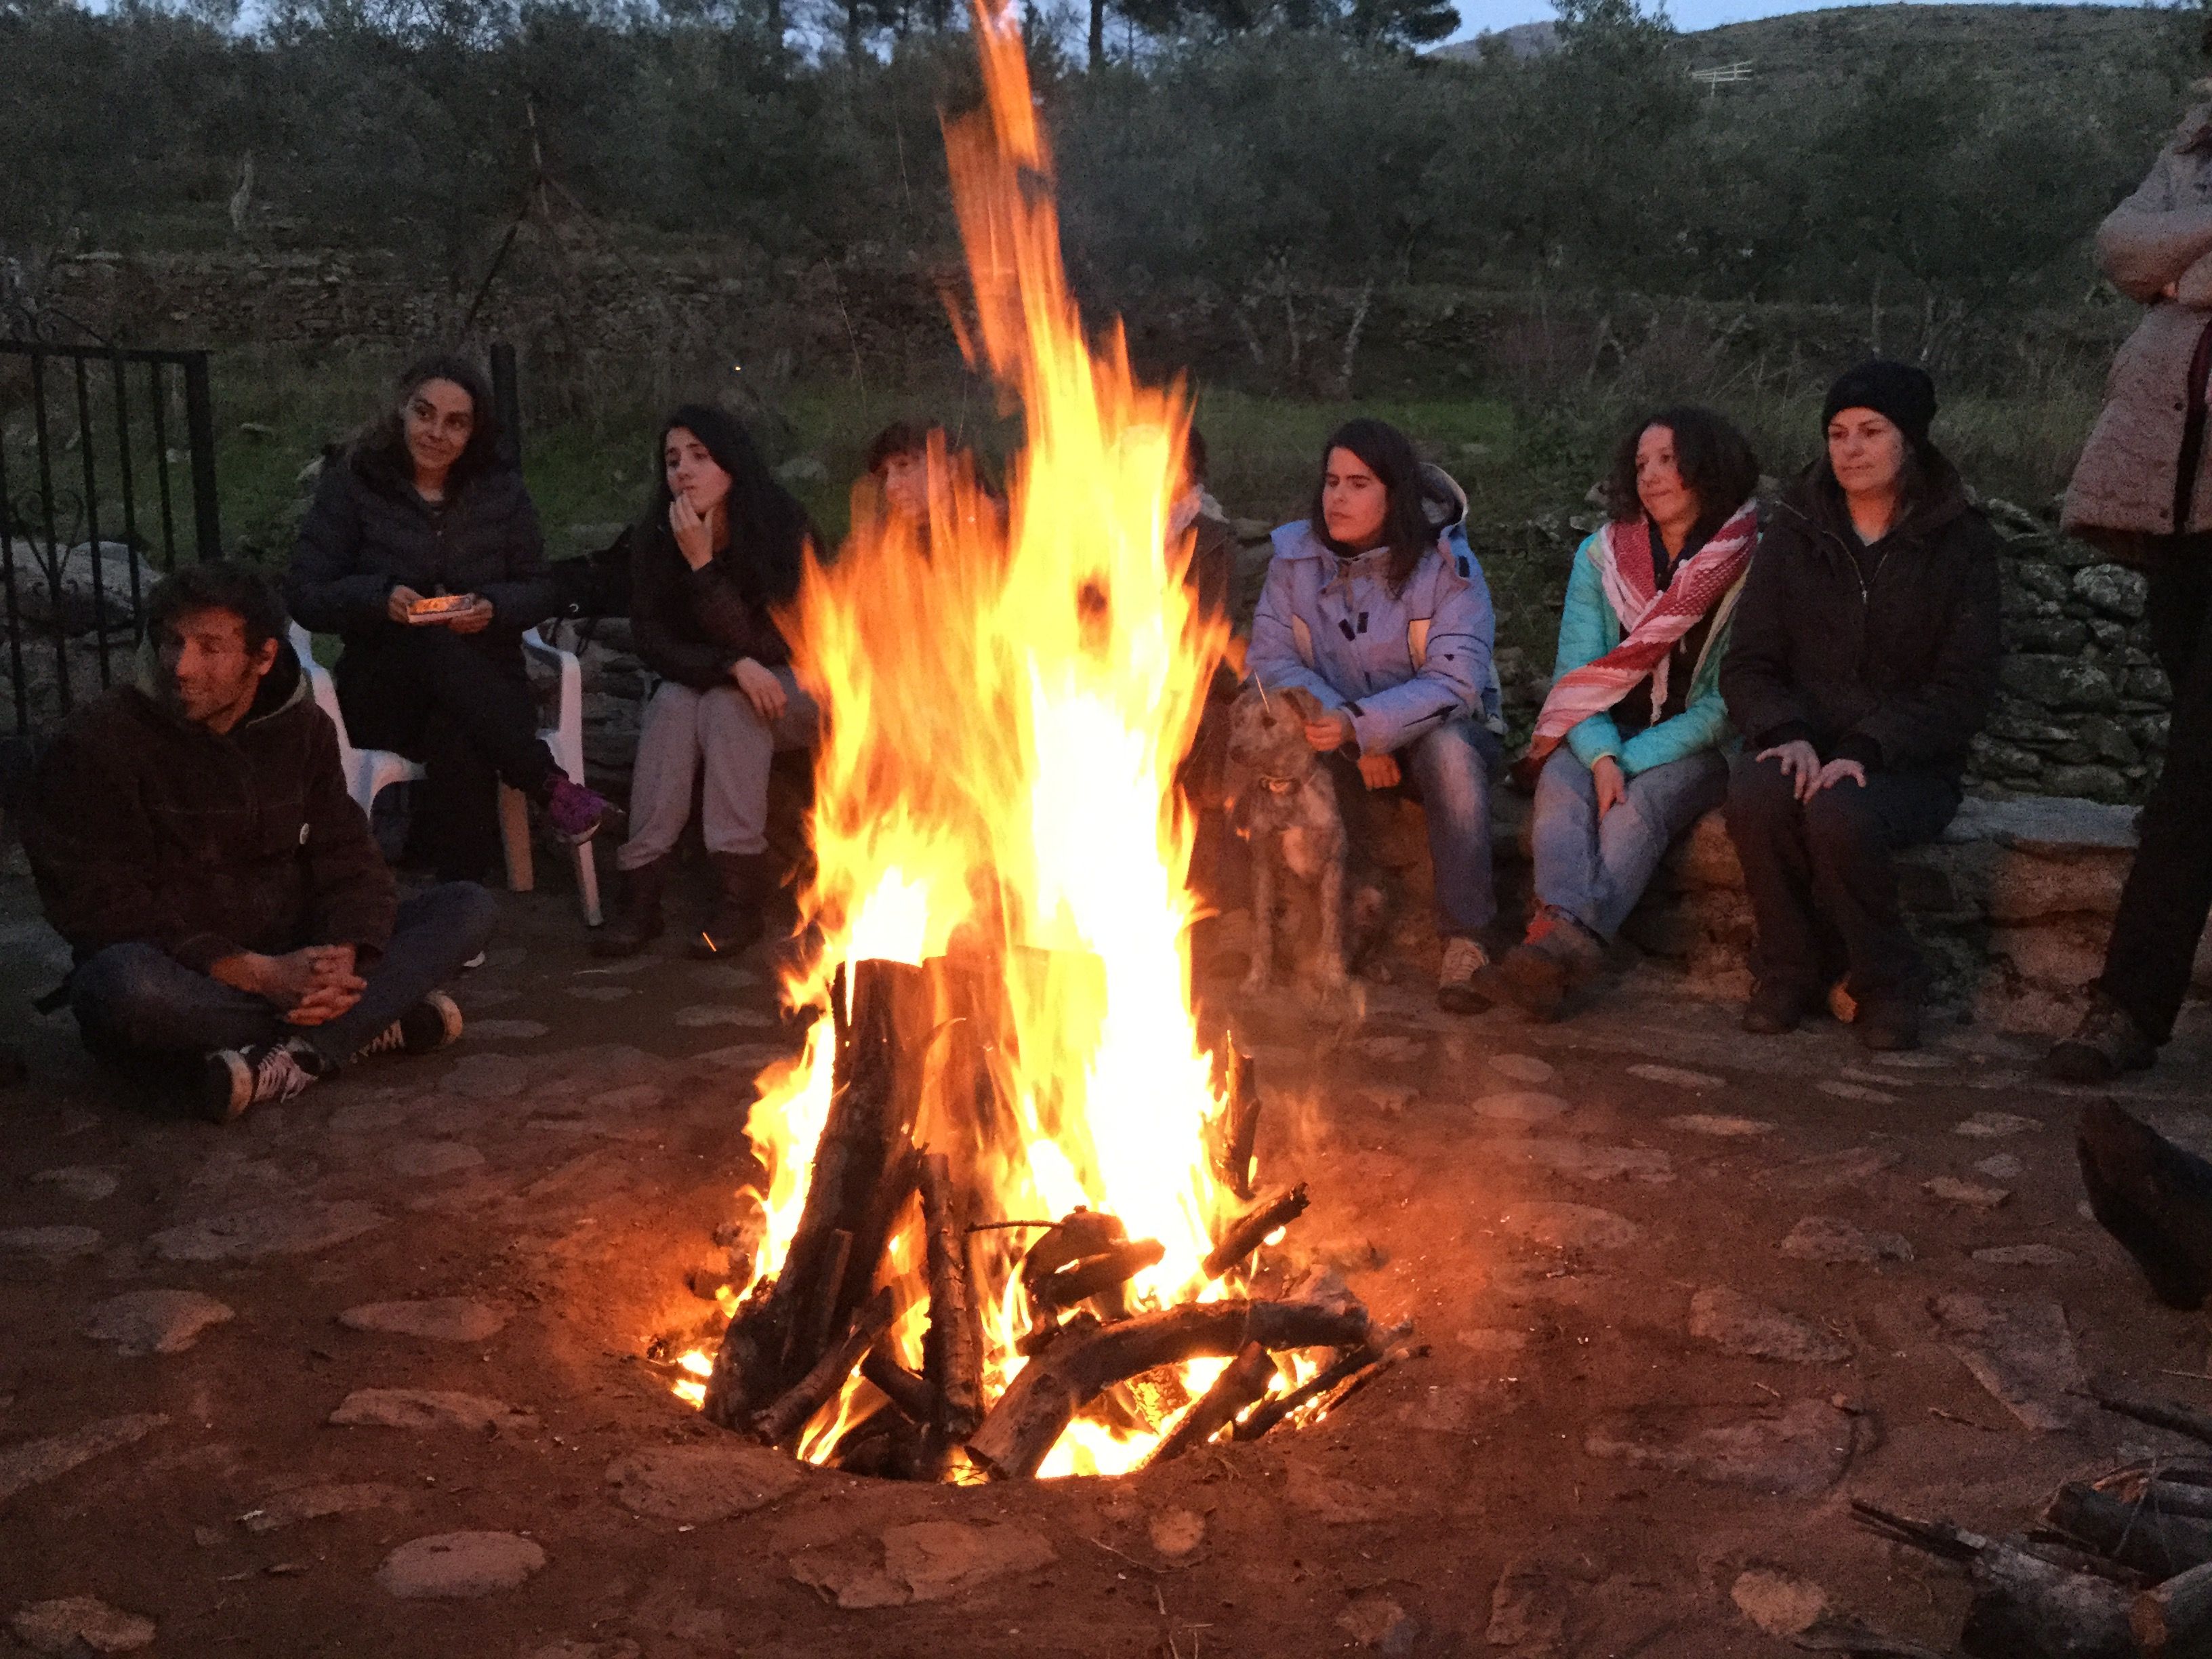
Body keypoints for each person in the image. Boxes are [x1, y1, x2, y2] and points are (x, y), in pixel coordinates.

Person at [18, 564, 495, 1122]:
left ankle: (288, 1058)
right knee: (118, 987)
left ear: (262, 658)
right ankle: (369, 1024)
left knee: (468, 907)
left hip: (295, 944)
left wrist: (344, 954)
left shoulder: (302, 730)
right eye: (172, 642)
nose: (182, 667)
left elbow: (347, 858)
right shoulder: (98, 743)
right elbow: (99, 906)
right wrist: (262, 976)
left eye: (210, 648)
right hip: (191, 968)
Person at [1719, 362, 2001, 1051]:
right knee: (1757, 797)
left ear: (1910, 441)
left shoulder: (1960, 542)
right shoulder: (1795, 532)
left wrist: (1867, 748)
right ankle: (1789, 970)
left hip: (1907, 760)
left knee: (1840, 814)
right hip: (1804, 740)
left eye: (1871, 432)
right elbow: (1750, 661)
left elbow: (1962, 687)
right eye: (1838, 433)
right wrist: (1784, 732)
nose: (1851, 449)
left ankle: (1888, 981)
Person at [287, 353, 611, 883]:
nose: (435, 432)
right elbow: (304, 593)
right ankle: (547, 784)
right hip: (383, 687)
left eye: (455, 422)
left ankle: (462, 905)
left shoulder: (500, 491)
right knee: (427, 643)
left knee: (459, 730)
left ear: (474, 432)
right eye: (424, 413)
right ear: (402, 410)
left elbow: (540, 589)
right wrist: (379, 598)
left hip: (486, 684)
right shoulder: (354, 483)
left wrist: (494, 608)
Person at [2048, 70, 2212, 1081]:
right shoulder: (2193, 143)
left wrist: (2186, 263)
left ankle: (2128, 1007)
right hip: (2177, 500)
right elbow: (2122, 250)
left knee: (2196, 769)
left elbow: (2161, 258)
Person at [1497, 407, 1761, 1019]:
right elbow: (1577, 677)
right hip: (1601, 729)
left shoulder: (1751, 563)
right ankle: (1565, 951)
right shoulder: (1602, 557)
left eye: (1668, 461)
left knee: (1635, 807)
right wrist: (1603, 754)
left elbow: (1727, 704)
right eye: (1642, 464)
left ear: (1707, 466)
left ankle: (1553, 946)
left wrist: (1629, 762)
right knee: (1562, 796)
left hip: (1697, 743)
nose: (1651, 476)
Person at [1246, 417, 1503, 1012]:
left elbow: (1456, 682)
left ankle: (1467, 941)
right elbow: (1270, 661)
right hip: (1334, 728)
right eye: (1332, 481)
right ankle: (1272, 927)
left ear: (1396, 494)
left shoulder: (1447, 568)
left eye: (1359, 483)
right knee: (1259, 740)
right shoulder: (1294, 560)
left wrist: (1367, 728)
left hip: (1440, 731)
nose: (1338, 496)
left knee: (1451, 756)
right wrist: (1349, 730)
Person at [592, 404, 821, 959]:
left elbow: (779, 644)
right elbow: (654, 642)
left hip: (803, 686)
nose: (683, 472)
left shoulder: (781, 528)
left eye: (699, 456)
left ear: (732, 463)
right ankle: (640, 896)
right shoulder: (656, 535)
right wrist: (727, 667)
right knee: (674, 702)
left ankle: (739, 898)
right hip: (721, 684)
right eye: (672, 461)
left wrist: (703, 568)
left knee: (729, 706)